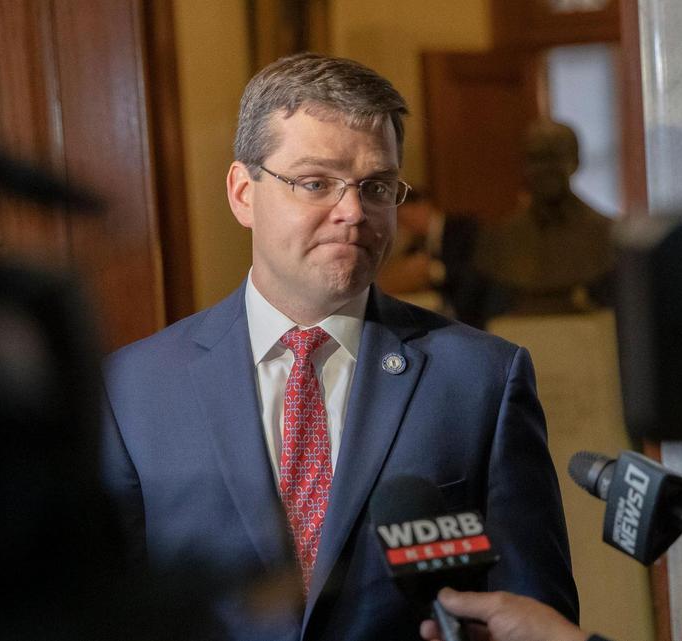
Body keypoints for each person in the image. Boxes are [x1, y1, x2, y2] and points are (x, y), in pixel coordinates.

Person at [100, 52, 578, 640]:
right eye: (315, 183)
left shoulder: (482, 380)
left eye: (376, 186)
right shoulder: (134, 389)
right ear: (243, 192)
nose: (352, 212)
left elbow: (538, 619)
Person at [472, 119, 615, 320]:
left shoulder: (606, 233)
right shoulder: (499, 238)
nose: (544, 169)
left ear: (575, 162)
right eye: (535, 159)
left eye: (553, 158)